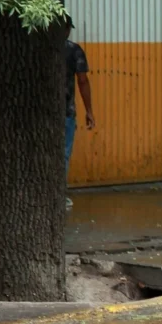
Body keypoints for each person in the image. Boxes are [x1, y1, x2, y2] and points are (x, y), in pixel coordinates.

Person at [65, 16, 95, 209]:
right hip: (66, 111)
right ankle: (58, 195)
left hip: (42, 114)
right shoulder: (74, 50)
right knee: (64, 154)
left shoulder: (41, 50)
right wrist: (89, 111)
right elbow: (82, 81)